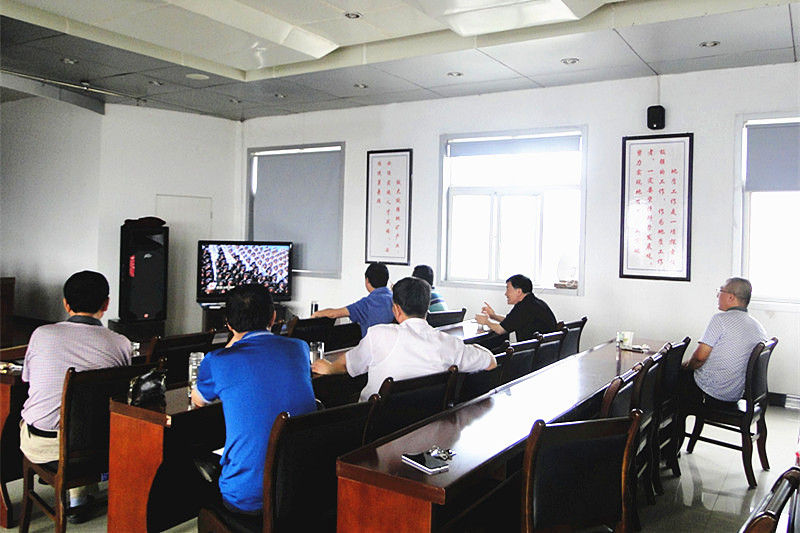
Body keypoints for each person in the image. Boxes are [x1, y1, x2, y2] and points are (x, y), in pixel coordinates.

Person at [192, 284, 316, 514]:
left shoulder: (218, 360)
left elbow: (198, 400)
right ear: (273, 317)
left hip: (249, 497)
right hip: (303, 488)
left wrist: (232, 342)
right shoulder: (299, 349)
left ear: (228, 323)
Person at [20, 270, 131, 523]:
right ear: (106, 304)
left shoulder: (42, 334)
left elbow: (27, 379)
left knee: (30, 416)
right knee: (85, 418)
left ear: (66, 304)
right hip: (100, 445)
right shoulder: (122, 343)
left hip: (48, 447)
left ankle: (74, 496)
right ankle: (78, 499)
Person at [311, 276, 496, 401]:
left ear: (397, 309)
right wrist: (468, 348)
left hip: (376, 429)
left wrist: (329, 367)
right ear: (426, 308)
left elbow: (348, 365)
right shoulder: (448, 344)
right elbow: (491, 362)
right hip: (424, 427)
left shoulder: (379, 335)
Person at [680, 277, 768, 404]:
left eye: (720, 291)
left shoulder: (720, 320)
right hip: (735, 393)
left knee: (671, 376)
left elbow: (699, 358)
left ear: (731, 297)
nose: (717, 295)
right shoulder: (758, 327)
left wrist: (684, 366)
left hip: (712, 391)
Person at [312, 262, 393, 337]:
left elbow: (333, 314)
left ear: (367, 280)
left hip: (372, 346)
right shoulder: (395, 298)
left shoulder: (365, 304)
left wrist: (317, 313)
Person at [475, 274, 557, 342]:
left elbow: (501, 330)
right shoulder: (533, 303)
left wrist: (486, 322)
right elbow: (511, 321)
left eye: (508, 289)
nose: (506, 294)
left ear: (519, 291)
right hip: (545, 350)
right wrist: (493, 316)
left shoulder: (524, 307)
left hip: (534, 354)